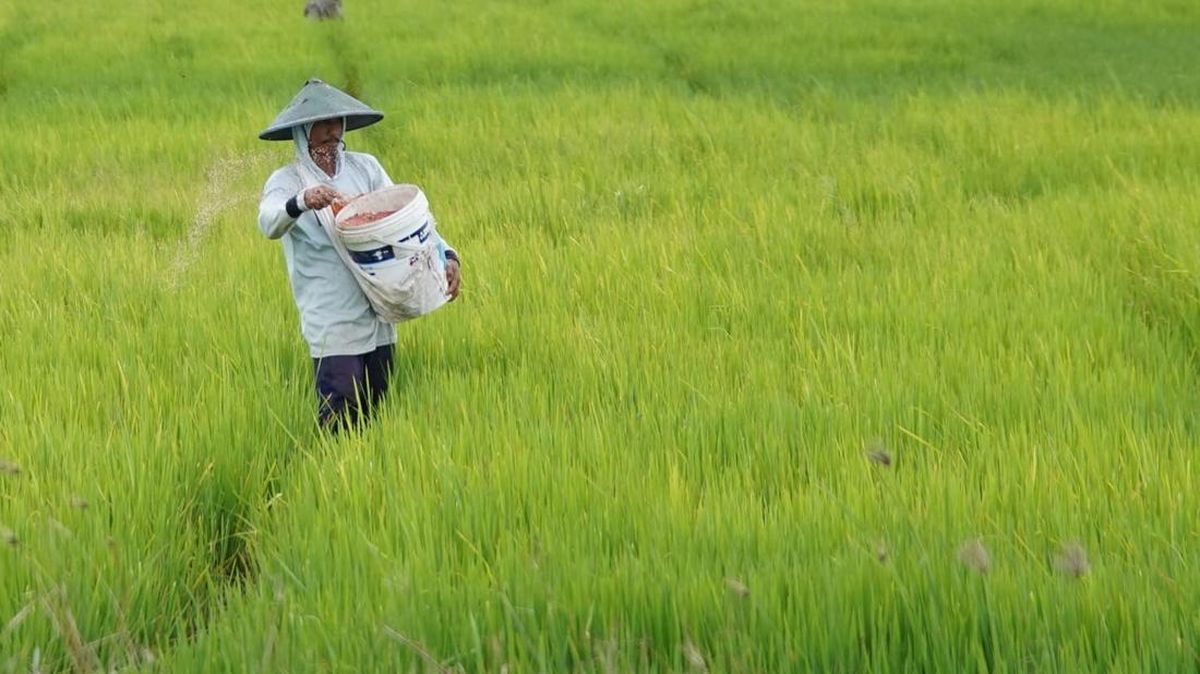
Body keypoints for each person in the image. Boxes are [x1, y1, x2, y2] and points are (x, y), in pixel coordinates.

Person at [256, 78, 461, 431]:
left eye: (337, 122)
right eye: (322, 124)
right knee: (340, 414)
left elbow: (406, 219)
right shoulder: (288, 180)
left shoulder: (365, 168)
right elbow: (268, 222)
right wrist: (301, 202)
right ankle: (334, 478)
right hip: (332, 318)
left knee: (377, 408)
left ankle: (367, 478)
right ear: (302, 131)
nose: (332, 131)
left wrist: (446, 255)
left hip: (379, 309)